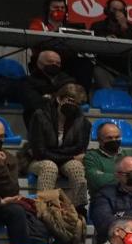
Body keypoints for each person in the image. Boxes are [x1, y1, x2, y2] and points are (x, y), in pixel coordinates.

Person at [26, 82, 90, 211]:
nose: (74, 105)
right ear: (59, 99)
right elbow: (39, 152)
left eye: (77, 103)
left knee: (77, 167)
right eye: (70, 101)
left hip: (64, 161)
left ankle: (80, 209)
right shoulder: (40, 116)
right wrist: (70, 156)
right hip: (39, 160)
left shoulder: (83, 122)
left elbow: (79, 148)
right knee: (49, 167)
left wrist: (60, 154)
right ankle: (44, 210)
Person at [90, 0, 132, 103]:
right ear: (107, 10)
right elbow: (92, 44)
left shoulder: (131, 28)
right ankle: (112, 100)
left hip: (128, 70)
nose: (117, 13)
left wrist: (124, 28)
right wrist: (105, 38)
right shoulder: (97, 26)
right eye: (114, 10)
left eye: (120, 10)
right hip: (106, 69)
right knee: (97, 71)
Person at [83, 122, 132, 194]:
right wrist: (130, 177)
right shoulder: (91, 157)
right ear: (100, 140)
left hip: (131, 197)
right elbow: (97, 181)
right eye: (109, 138)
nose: (114, 140)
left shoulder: (129, 154)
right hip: (103, 198)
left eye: (117, 137)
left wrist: (107, 176)